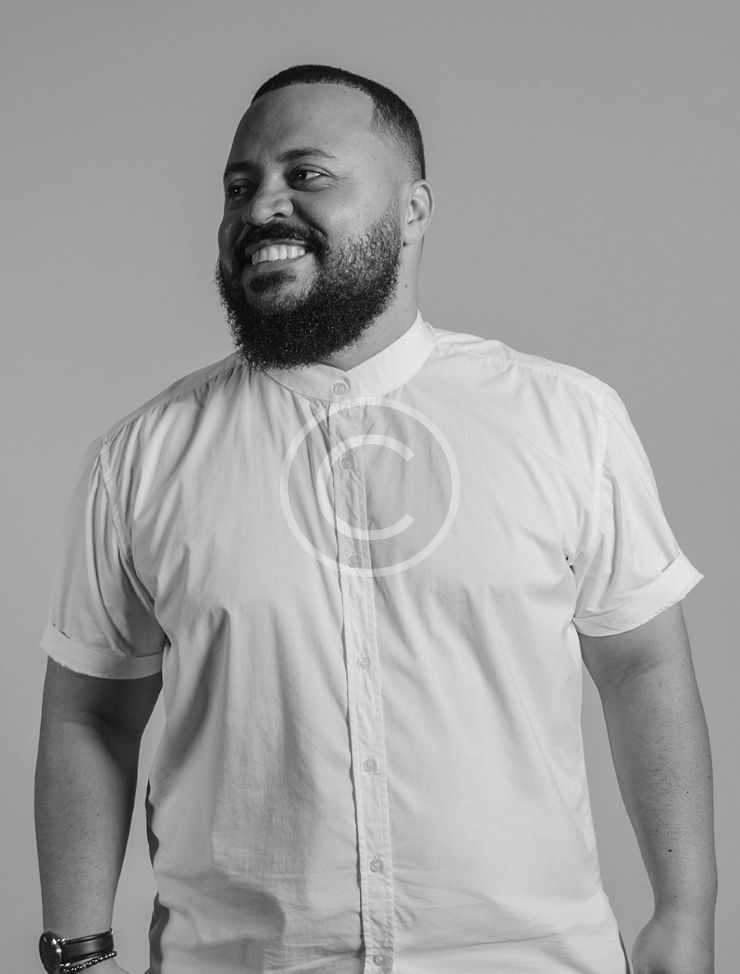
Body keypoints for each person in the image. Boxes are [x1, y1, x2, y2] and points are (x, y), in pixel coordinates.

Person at [34, 64, 717, 974]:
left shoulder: (566, 421)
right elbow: (90, 715)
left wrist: (684, 914)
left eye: (306, 174)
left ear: (414, 210)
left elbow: (641, 665)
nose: (261, 207)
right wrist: (78, 955)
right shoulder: (141, 460)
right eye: (240, 186)